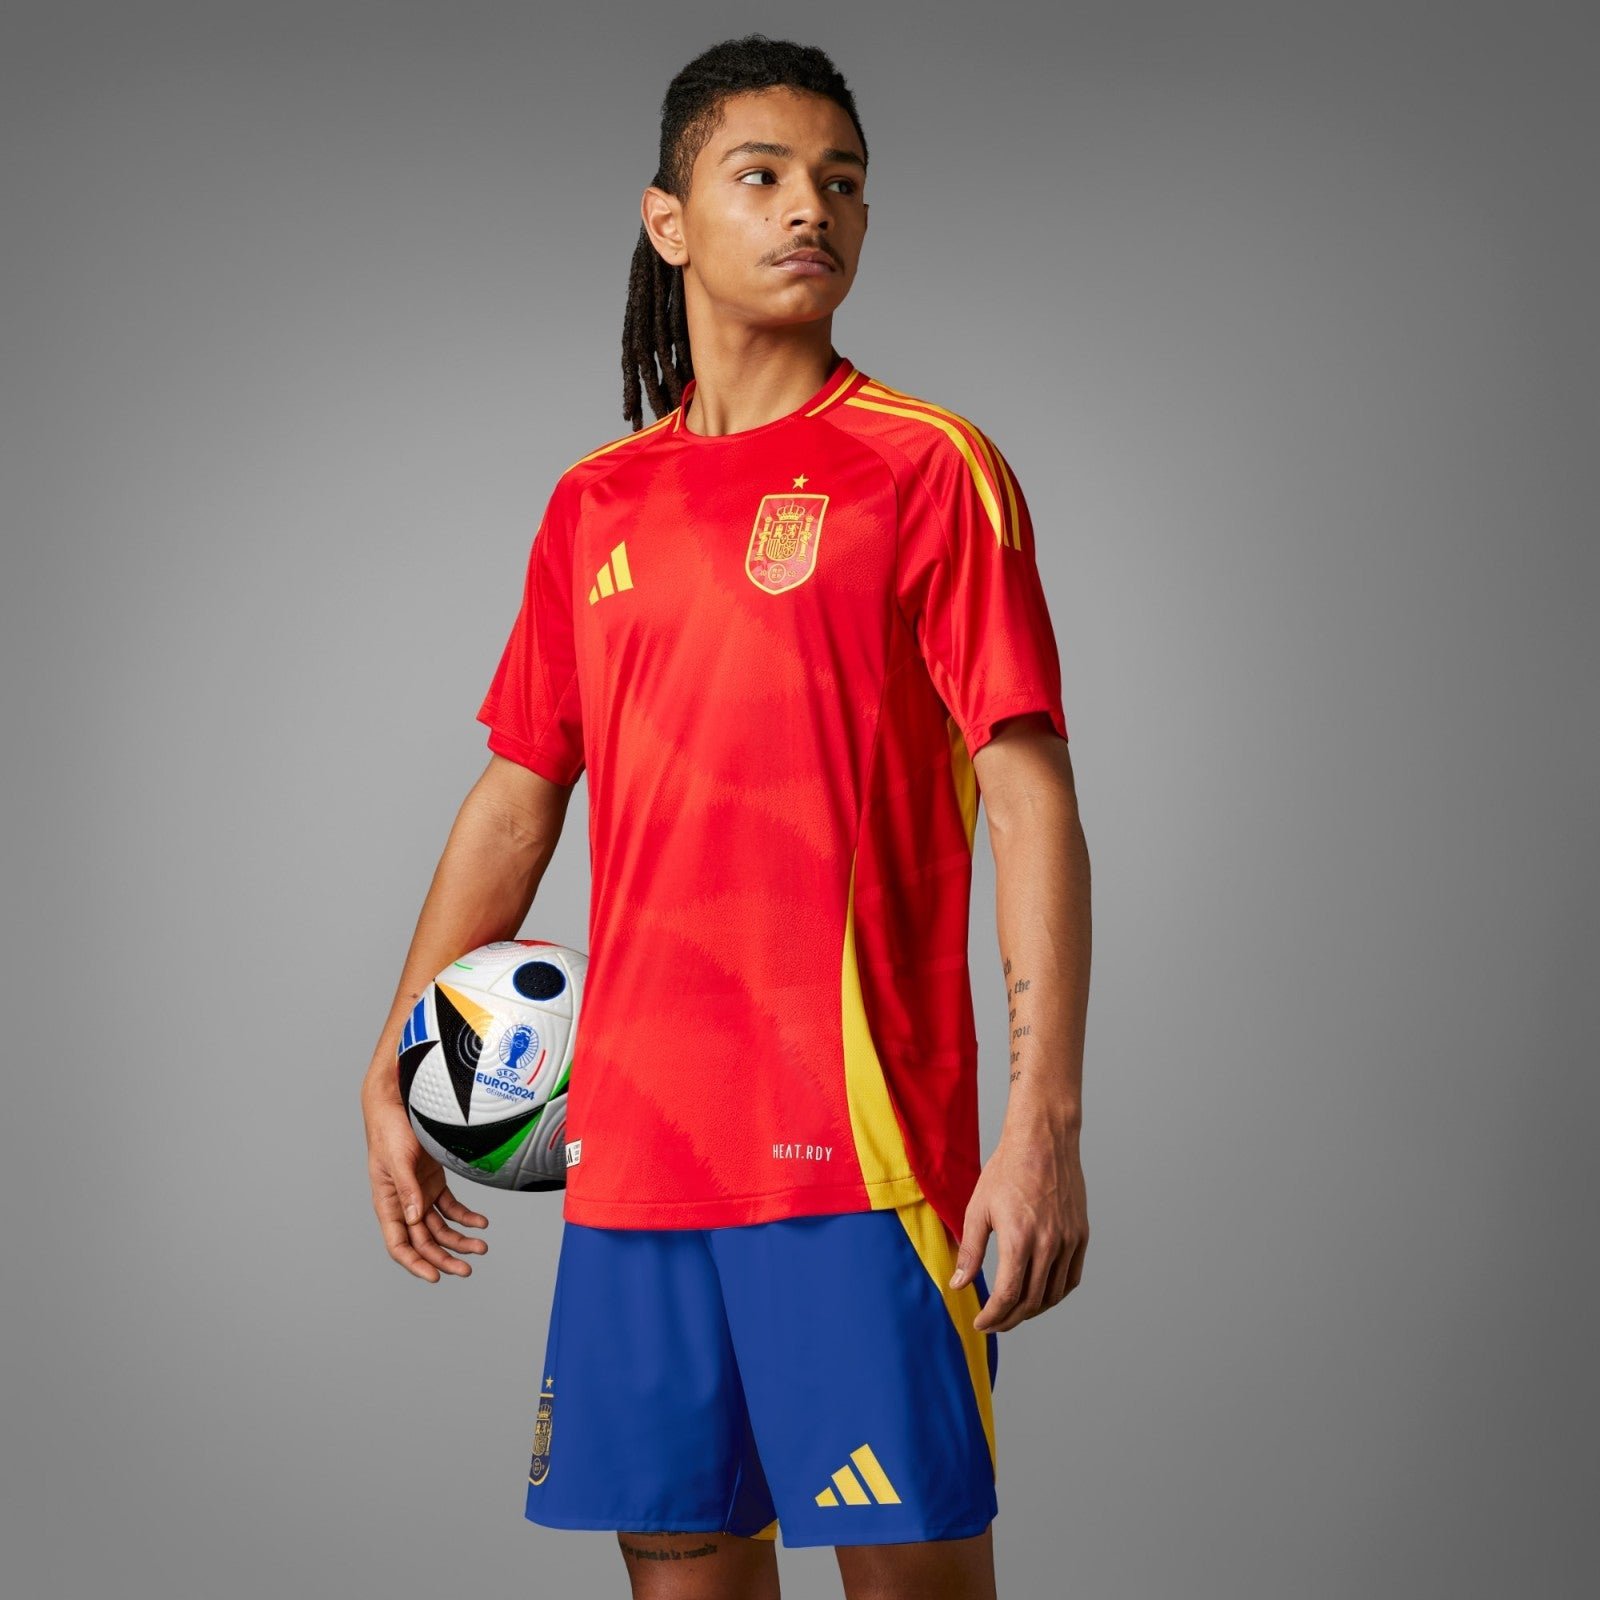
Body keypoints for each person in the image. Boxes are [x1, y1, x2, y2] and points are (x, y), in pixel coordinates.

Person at [361, 33, 1091, 1600]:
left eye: (842, 181)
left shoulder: (927, 469)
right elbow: (518, 798)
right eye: (761, 177)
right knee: (682, 1579)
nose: (810, 207)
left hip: (862, 1160)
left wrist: (1043, 1122)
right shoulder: (594, 505)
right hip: (633, 1161)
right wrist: (394, 1056)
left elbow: (1031, 798)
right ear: (669, 220)